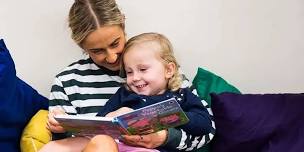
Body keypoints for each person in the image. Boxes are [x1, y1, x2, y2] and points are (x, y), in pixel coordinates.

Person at [39, 0, 215, 151]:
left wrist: (165, 137)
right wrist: (60, 126)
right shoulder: (67, 82)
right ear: (82, 46)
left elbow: (207, 130)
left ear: (123, 24)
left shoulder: (166, 76)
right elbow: (72, 139)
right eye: (97, 50)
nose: (112, 57)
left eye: (115, 43)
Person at [94, 32, 213, 152]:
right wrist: (112, 116)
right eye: (129, 72)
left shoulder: (180, 95)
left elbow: (204, 124)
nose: (135, 78)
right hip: (120, 147)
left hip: (154, 149)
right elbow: (97, 123)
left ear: (168, 70)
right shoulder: (125, 93)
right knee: (96, 142)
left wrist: (169, 116)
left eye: (143, 69)